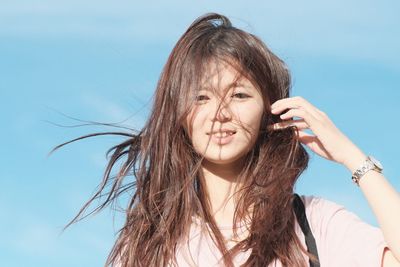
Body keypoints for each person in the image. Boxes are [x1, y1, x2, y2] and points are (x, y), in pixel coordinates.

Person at [51, 13, 400, 266]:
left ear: (270, 109)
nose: (220, 112)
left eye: (239, 95)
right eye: (201, 97)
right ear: (180, 116)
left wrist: (352, 158)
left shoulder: (312, 222)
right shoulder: (149, 241)